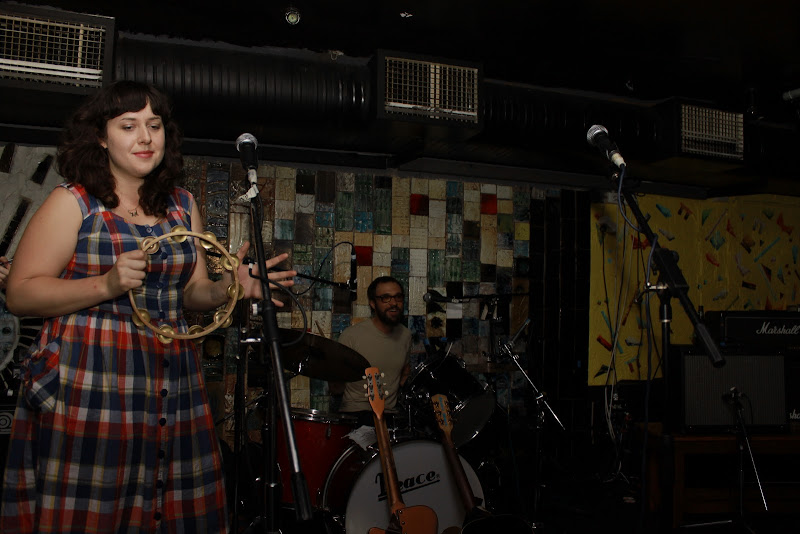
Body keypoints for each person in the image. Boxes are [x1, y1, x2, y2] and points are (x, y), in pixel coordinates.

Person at [0, 80, 296, 533]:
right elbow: (20, 294)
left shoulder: (182, 204)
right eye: (128, 125)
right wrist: (106, 284)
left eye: (154, 125)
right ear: (101, 136)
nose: (145, 137)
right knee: (93, 508)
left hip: (170, 377)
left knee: (174, 505)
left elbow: (192, 292)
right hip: (90, 376)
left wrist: (229, 288)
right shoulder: (73, 202)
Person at [337, 276, 411, 426]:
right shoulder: (351, 336)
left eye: (398, 297)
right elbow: (336, 386)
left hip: (390, 415)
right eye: (385, 298)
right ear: (372, 303)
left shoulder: (406, 335)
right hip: (356, 414)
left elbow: (404, 372)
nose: (393, 303)